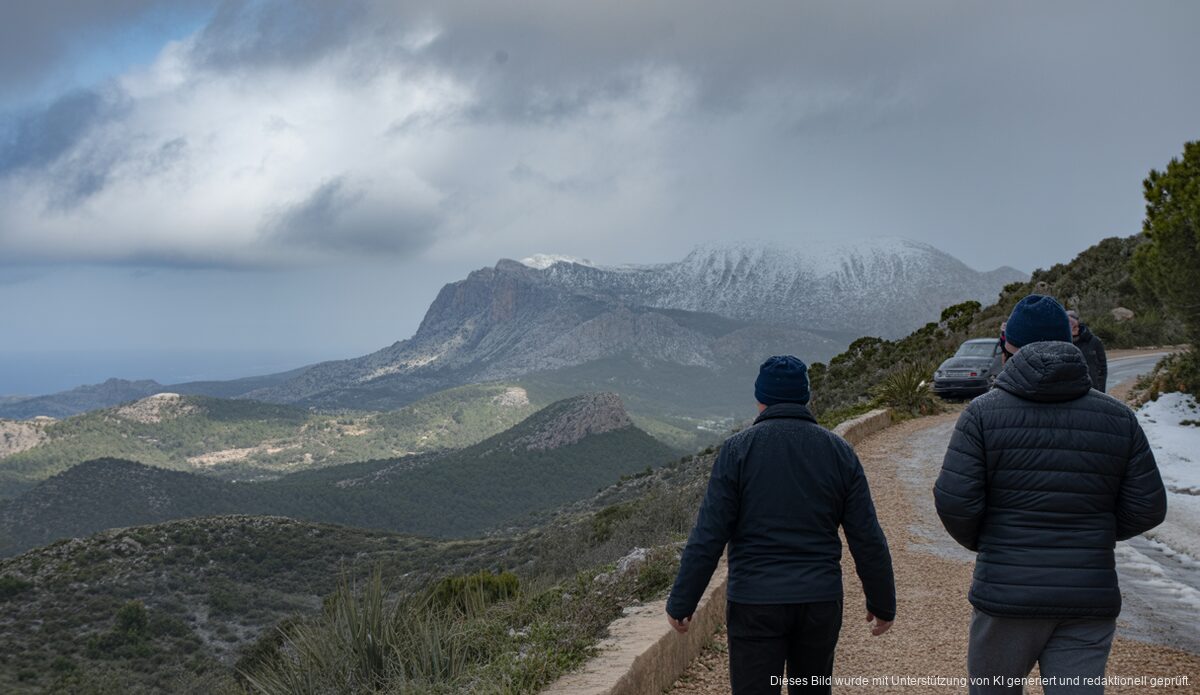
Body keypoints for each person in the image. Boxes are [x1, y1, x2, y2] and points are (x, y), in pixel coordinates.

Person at [934, 295, 1166, 695]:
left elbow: (955, 501)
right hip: (1087, 599)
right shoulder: (1117, 417)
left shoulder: (982, 414)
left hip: (1006, 595)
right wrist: (1092, 534)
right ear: (1070, 343)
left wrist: (993, 541)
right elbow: (1148, 506)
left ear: (1007, 347)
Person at [666, 355, 896, 695]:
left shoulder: (737, 451)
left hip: (754, 602)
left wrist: (682, 602)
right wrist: (882, 602)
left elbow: (709, 534)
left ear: (760, 399)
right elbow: (866, 535)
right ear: (805, 397)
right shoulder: (839, 451)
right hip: (819, 601)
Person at [1067, 309, 1108, 392]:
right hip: (1072, 391)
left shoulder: (1094, 341)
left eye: (1073, 325)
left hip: (1093, 389)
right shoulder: (1064, 343)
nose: (1072, 328)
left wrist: (1101, 391)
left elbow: (1102, 368)